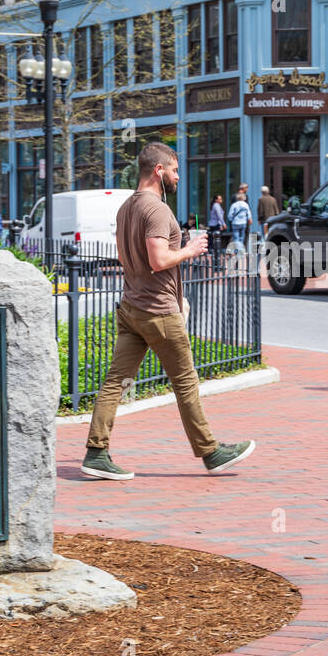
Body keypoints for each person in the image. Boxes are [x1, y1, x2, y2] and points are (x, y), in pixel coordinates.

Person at [81, 142, 256, 481]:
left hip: (131, 307)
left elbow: (124, 258)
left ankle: (96, 452)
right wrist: (189, 249)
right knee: (186, 383)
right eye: (174, 170)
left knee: (116, 382)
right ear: (158, 171)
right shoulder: (157, 210)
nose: (177, 176)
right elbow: (159, 260)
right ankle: (211, 452)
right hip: (158, 311)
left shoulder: (125, 209)